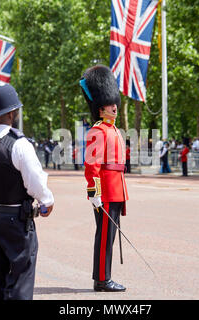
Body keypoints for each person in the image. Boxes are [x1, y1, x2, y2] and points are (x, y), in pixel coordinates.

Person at [0, 84, 54, 300]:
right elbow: (35, 183)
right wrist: (47, 201)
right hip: (16, 220)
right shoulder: (19, 144)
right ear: (13, 113)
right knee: (21, 279)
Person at [80, 65, 128, 292]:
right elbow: (92, 165)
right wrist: (94, 192)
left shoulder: (114, 130)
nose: (114, 106)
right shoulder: (97, 131)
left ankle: (104, 277)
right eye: (110, 104)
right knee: (104, 237)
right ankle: (101, 279)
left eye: (115, 103)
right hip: (106, 192)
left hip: (116, 189)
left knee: (109, 237)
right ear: (100, 109)